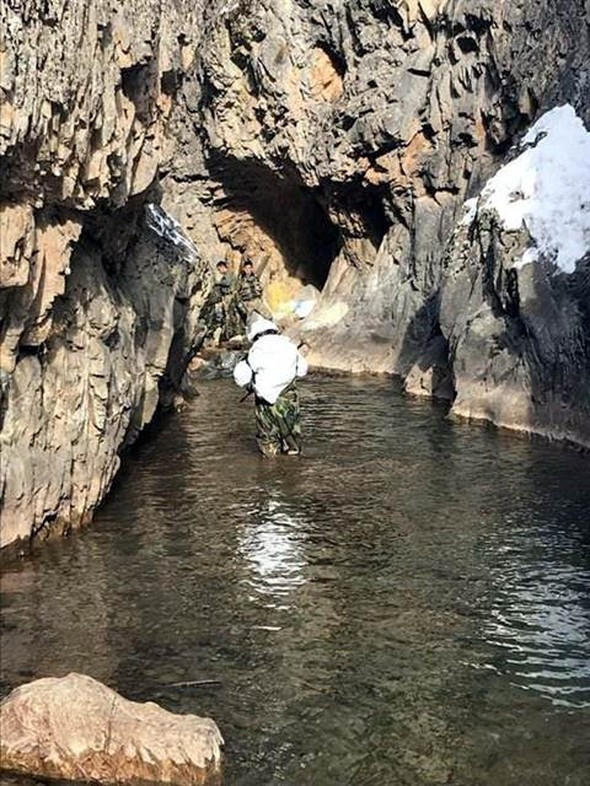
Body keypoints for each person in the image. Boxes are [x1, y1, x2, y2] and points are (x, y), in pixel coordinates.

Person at [234, 316, 308, 457]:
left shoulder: (254, 351)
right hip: (288, 399)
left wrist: (249, 385)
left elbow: (239, 375)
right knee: (293, 439)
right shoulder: (290, 346)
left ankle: (270, 470)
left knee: (268, 441)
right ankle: (293, 468)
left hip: (265, 402)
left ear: (255, 336)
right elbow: (303, 370)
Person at [202, 260, 238, 345]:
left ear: (223, 267)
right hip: (225, 298)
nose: (219, 271)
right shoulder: (226, 276)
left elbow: (227, 284)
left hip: (229, 298)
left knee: (227, 317)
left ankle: (229, 336)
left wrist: (217, 283)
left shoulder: (229, 275)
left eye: (219, 269)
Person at [236, 259, 271, 325]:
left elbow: (260, 289)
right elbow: (237, 294)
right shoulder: (240, 281)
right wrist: (242, 306)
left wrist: (260, 297)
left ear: (252, 268)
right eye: (246, 268)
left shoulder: (255, 278)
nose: (248, 270)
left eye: (249, 268)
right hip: (248, 304)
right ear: (243, 269)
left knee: (269, 316)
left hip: (257, 301)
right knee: (249, 323)